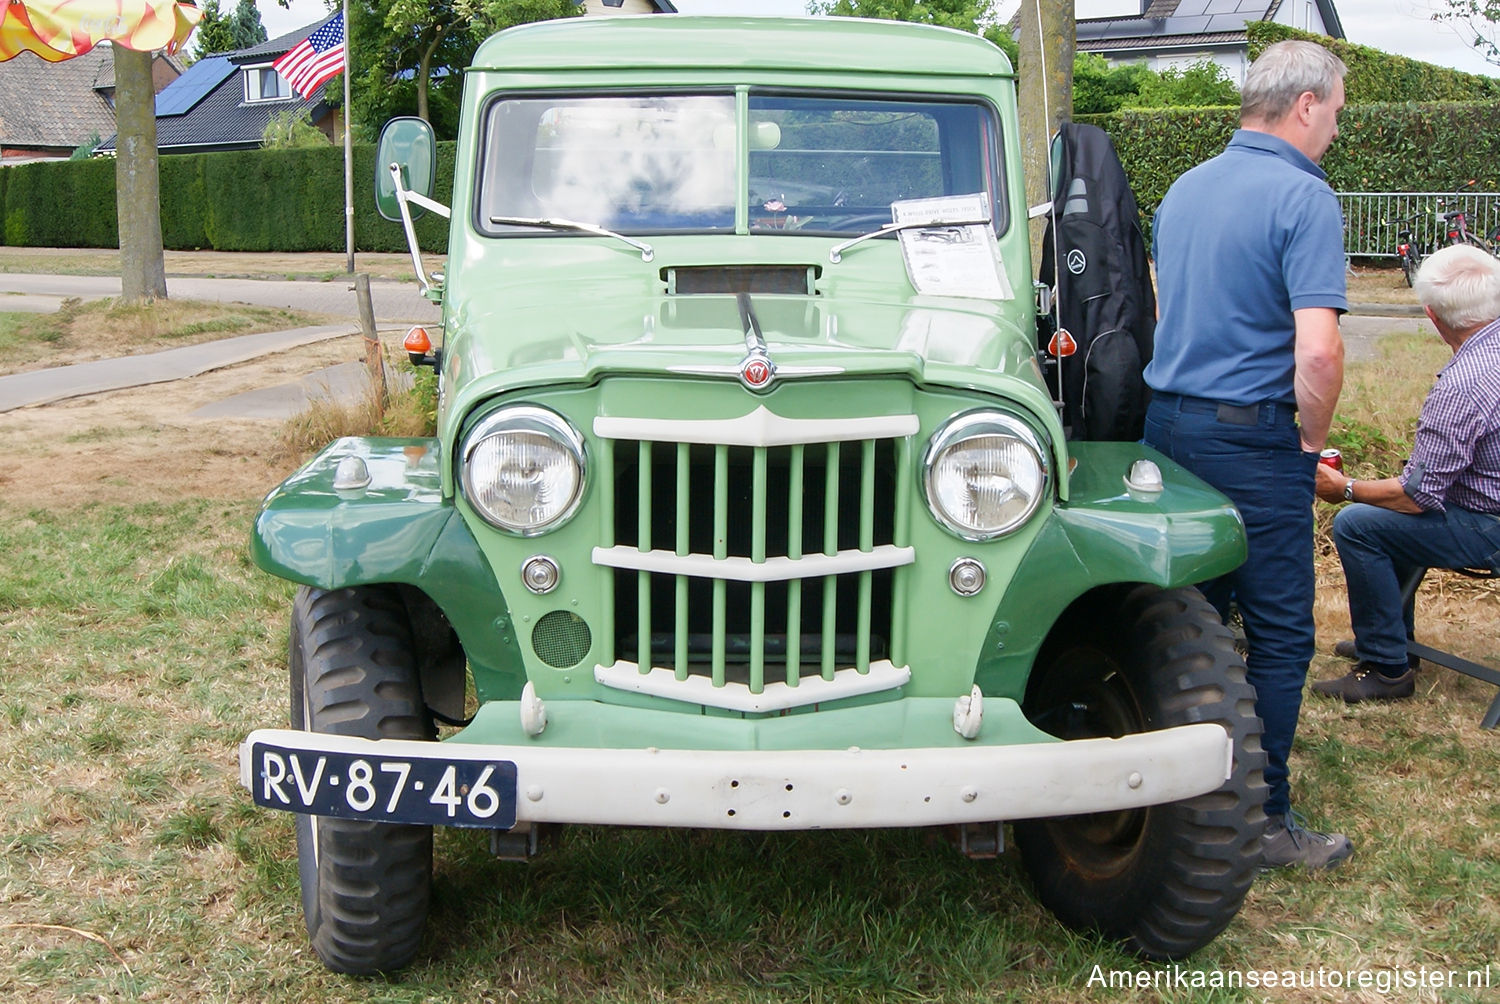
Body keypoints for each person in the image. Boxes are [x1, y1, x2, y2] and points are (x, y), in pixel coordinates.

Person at [1142, 40, 1351, 870]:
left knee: (1189, 618)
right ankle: (1261, 819)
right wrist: (1307, 440)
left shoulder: (1187, 187)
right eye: (1335, 111)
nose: (1335, 127)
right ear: (1305, 105)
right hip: (1255, 437)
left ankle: (1169, 793)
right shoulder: (1305, 197)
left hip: (1171, 428)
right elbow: (1320, 353)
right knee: (1277, 632)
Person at [1312, 245, 1500, 701]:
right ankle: (1390, 636)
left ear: (1433, 316)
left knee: (1360, 524)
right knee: (1389, 517)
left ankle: (1386, 666)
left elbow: (1416, 497)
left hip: (1489, 526)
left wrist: (1346, 488)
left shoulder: (1463, 385)